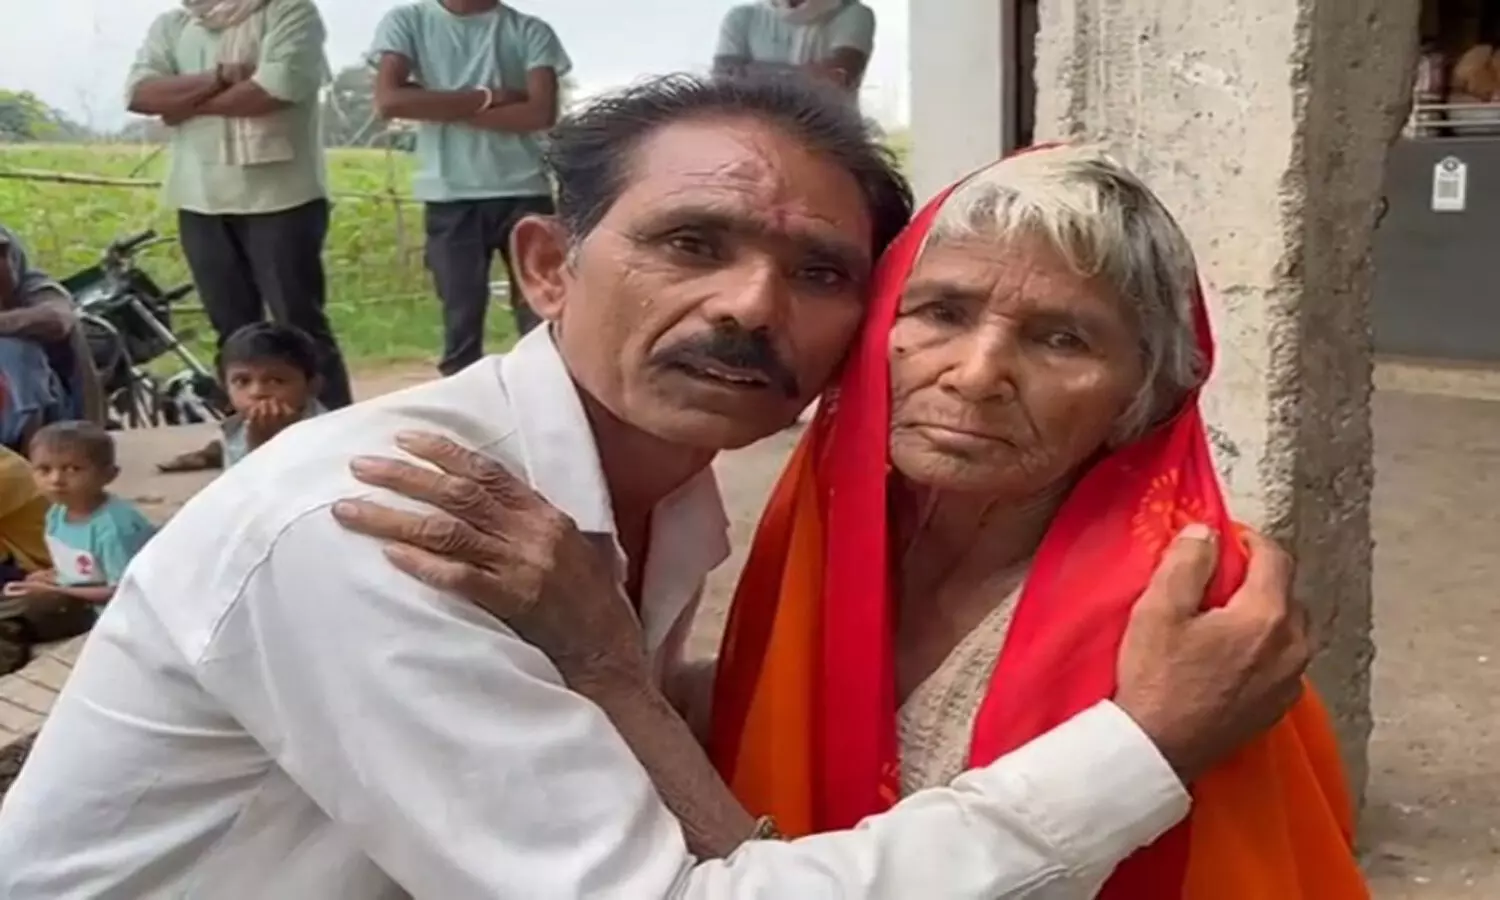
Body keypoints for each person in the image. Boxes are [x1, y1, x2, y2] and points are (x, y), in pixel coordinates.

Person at [0, 76, 1308, 898]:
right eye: (691, 242)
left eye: (820, 272)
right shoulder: (392, 518)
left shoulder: (688, 506)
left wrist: (618, 674)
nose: (749, 306)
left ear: (1147, 393)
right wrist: (1137, 751)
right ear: (547, 267)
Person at [334, 147, 1366, 897]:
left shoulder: (1189, 617)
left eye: (1062, 339)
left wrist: (609, 667)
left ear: (1143, 398)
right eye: (942, 312)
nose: (977, 374)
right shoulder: (843, 529)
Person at [125, 0, 353, 428]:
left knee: (300, 328)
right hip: (200, 198)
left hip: (283, 197)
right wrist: (217, 78)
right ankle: (245, 438)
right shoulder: (174, 24)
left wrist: (182, 105)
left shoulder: (289, 11)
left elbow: (270, 91)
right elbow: (140, 94)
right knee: (232, 334)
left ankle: (334, 434)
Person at [371, 0, 572, 370]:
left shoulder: (530, 31)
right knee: (460, 319)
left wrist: (438, 105)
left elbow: (540, 113)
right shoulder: (407, 21)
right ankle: (462, 401)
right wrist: (490, 98)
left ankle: (548, 392)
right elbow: (390, 101)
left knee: (543, 316)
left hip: (525, 190)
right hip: (450, 193)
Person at [1, 422, 155, 621]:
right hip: (77, 595)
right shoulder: (58, 512)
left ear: (108, 475)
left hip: (112, 613)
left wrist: (58, 590)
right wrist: (51, 576)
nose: (56, 480)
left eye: (73, 469)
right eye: (44, 470)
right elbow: (79, 570)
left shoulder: (114, 529)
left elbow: (126, 591)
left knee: (28, 609)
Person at [0, 225, 104, 450]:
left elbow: (58, 319)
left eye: (3, 253)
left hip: (53, 421)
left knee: (17, 351)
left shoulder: (33, 286)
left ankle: (33, 459)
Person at [216, 321, 327, 466]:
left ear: (312, 386)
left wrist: (269, 445)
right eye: (242, 381)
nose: (257, 392)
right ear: (225, 387)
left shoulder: (331, 433)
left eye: (276, 381)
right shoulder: (235, 429)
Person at [715, 0, 877, 97]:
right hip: (754, 129)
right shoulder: (742, 17)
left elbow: (838, 78)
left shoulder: (854, 14)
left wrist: (750, 71)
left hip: (828, 132)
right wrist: (807, 74)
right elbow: (724, 79)